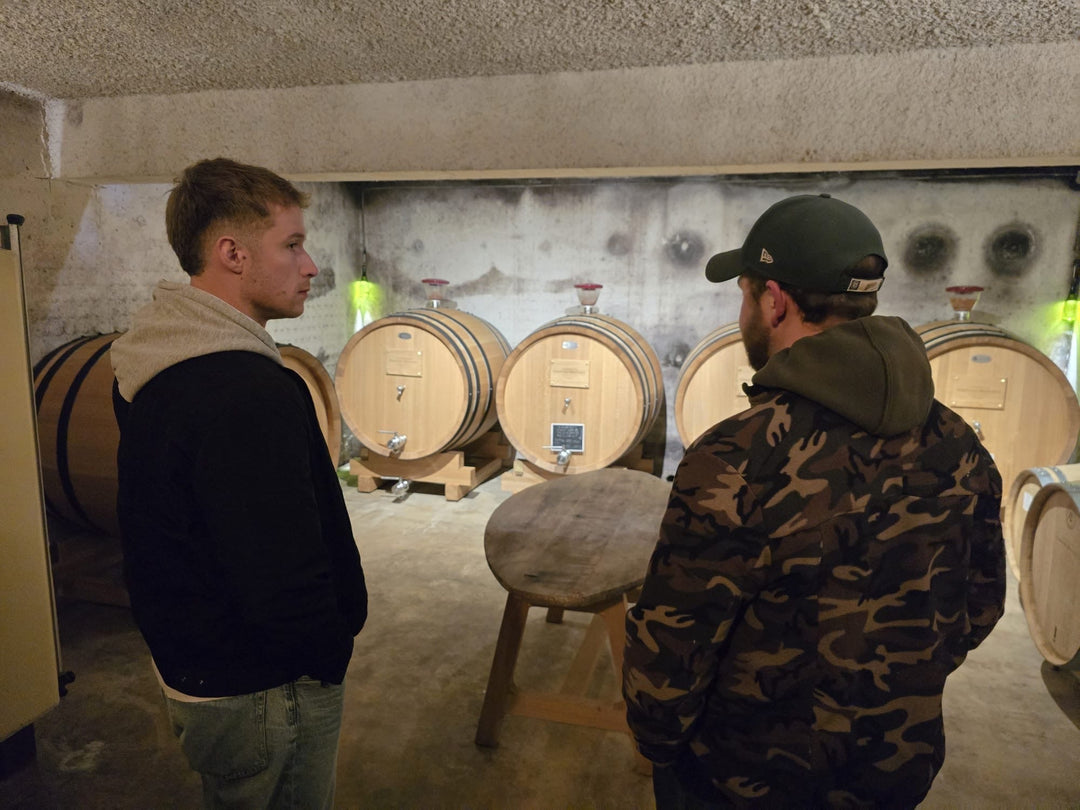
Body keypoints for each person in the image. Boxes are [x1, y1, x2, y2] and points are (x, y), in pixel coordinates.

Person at [623, 194, 1006, 809]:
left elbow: (671, 655)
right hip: (895, 769)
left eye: (745, 293)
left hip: (742, 782)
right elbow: (980, 608)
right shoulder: (957, 440)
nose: (744, 309)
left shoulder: (737, 458)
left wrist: (661, 748)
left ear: (774, 300)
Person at [111, 157, 368, 809]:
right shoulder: (245, 391)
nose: (310, 266)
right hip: (264, 685)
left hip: (201, 671)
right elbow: (282, 565)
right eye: (292, 244)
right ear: (231, 252)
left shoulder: (155, 362)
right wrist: (328, 651)